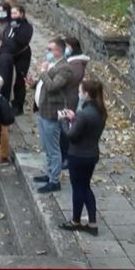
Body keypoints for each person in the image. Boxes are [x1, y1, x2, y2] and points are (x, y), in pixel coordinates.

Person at [58, 80, 106, 237]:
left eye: (80, 91)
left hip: (78, 155)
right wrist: (74, 119)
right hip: (91, 154)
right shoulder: (100, 111)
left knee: (79, 188)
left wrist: (64, 120)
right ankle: (90, 222)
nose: (78, 93)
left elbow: (71, 136)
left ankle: (77, 221)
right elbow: (85, 130)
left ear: (86, 94)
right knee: (85, 187)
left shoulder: (84, 114)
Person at [31, 38, 73, 194]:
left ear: (59, 51)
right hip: (42, 110)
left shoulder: (65, 68)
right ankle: (49, 173)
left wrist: (43, 73)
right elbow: (43, 85)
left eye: (50, 49)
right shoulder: (52, 65)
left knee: (53, 148)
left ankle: (54, 181)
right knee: (46, 146)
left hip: (51, 113)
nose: (47, 52)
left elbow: (53, 86)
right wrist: (34, 82)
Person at [63, 37, 90, 165]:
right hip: (68, 97)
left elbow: (70, 80)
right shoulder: (71, 62)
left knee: (68, 125)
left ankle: (68, 155)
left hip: (71, 98)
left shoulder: (77, 64)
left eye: (66, 46)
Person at [4, 5, 34, 115]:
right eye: (12, 13)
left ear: (21, 14)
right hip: (9, 55)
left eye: (15, 13)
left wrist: (16, 29)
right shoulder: (9, 24)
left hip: (21, 56)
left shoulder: (27, 27)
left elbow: (23, 41)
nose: (13, 16)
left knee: (19, 81)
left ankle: (18, 105)